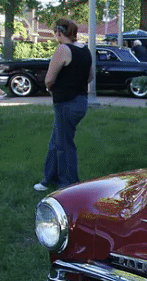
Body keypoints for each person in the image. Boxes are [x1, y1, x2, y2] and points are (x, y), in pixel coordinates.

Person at [34, 18, 93, 191]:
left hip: (66, 103)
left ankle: (69, 185)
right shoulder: (85, 50)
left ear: (59, 32)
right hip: (81, 102)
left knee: (64, 144)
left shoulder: (62, 49)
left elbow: (49, 79)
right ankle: (48, 179)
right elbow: (90, 77)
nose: (55, 36)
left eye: (55, 33)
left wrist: (50, 87)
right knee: (56, 140)